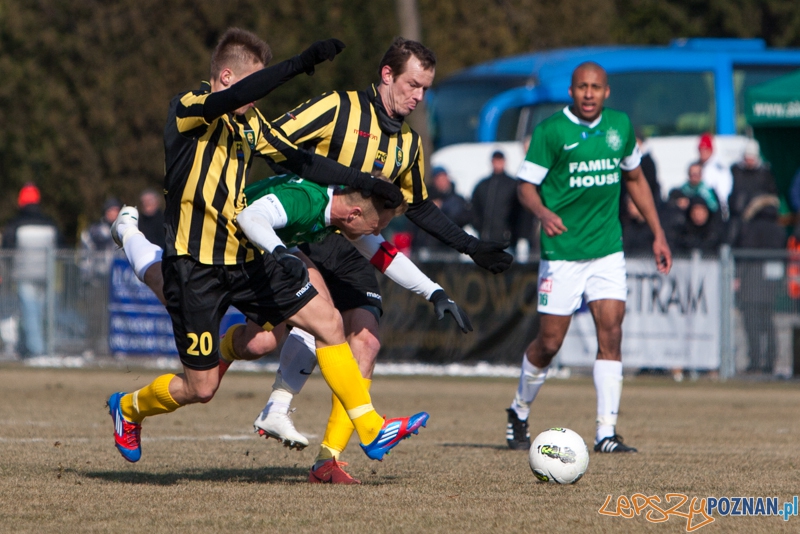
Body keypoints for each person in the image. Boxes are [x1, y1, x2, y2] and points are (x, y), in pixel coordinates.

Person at [106, 28, 420, 465]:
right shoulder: (190, 108)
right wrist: (299, 63)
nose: (257, 98)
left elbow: (300, 159)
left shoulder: (249, 122)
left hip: (245, 256)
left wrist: (360, 181)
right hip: (195, 265)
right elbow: (233, 98)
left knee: (327, 323)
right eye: (253, 85)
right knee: (201, 388)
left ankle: (370, 426)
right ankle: (128, 408)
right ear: (228, 76)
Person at [243, 37, 511, 483]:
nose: (419, 96)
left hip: (352, 239)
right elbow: (273, 146)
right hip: (303, 222)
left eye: (425, 88)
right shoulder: (337, 107)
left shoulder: (408, 144)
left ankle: (327, 460)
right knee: (265, 341)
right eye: (412, 85)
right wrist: (346, 181)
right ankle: (276, 403)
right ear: (387, 75)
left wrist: (469, 246)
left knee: (366, 340)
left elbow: (419, 207)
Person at [508, 62, 672, 453]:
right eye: (581, 87)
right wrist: (543, 213)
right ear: (571, 90)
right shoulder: (551, 131)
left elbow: (635, 180)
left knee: (611, 331)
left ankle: (606, 432)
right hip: (562, 252)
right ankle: (519, 409)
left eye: (595, 87)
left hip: (606, 250)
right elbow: (525, 187)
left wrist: (658, 233)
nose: (588, 93)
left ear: (607, 92)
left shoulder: (620, 127)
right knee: (549, 343)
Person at [728, 139, 783, 373]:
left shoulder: (748, 226)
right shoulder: (778, 228)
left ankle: (758, 361)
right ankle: (769, 361)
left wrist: (738, 275)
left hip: (752, 278)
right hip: (767, 281)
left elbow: (743, 250)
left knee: (753, 319)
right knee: (766, 319)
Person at [2, 184, 59, 357]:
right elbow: (61, 244)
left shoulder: (15, 224)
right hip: (46, 276)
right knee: (44, 315)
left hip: (24, 275)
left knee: (30, 314)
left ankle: (36, 351)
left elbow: (6, 248)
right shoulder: (49, 222)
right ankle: (46, 347)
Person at [471, 150, 528, 247]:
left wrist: (516, 233)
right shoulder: (483, 185)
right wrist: (479, 228)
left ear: (504, 162)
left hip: (508, 240)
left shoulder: (512, 184)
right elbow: (473, 208)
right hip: (486, 238)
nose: (497, 163)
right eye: (495, 161)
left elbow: (521, 212)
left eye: (500, 160)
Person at [413, 166, 472, 251]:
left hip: (451, 245)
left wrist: (442, 206)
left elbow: (463, 216)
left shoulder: (457, 199)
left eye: (443, 178)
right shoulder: (426, 198)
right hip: (430, 246)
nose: (442, 182)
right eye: (439, 179)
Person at [80, 197, 121, 279]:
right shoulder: (95, 230)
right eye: (111, 210)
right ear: (106, 212)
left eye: (117, 210)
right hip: (97, 274)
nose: (114, 213)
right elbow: (86, 243)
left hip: (117, 276)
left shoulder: (123, 231)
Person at [697, 133, 733, 217]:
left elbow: (723, 193)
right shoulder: (698, 166)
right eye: (700, 149)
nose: (702, 152)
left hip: (714, 209)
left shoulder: (719, 169)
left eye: (705, 149)